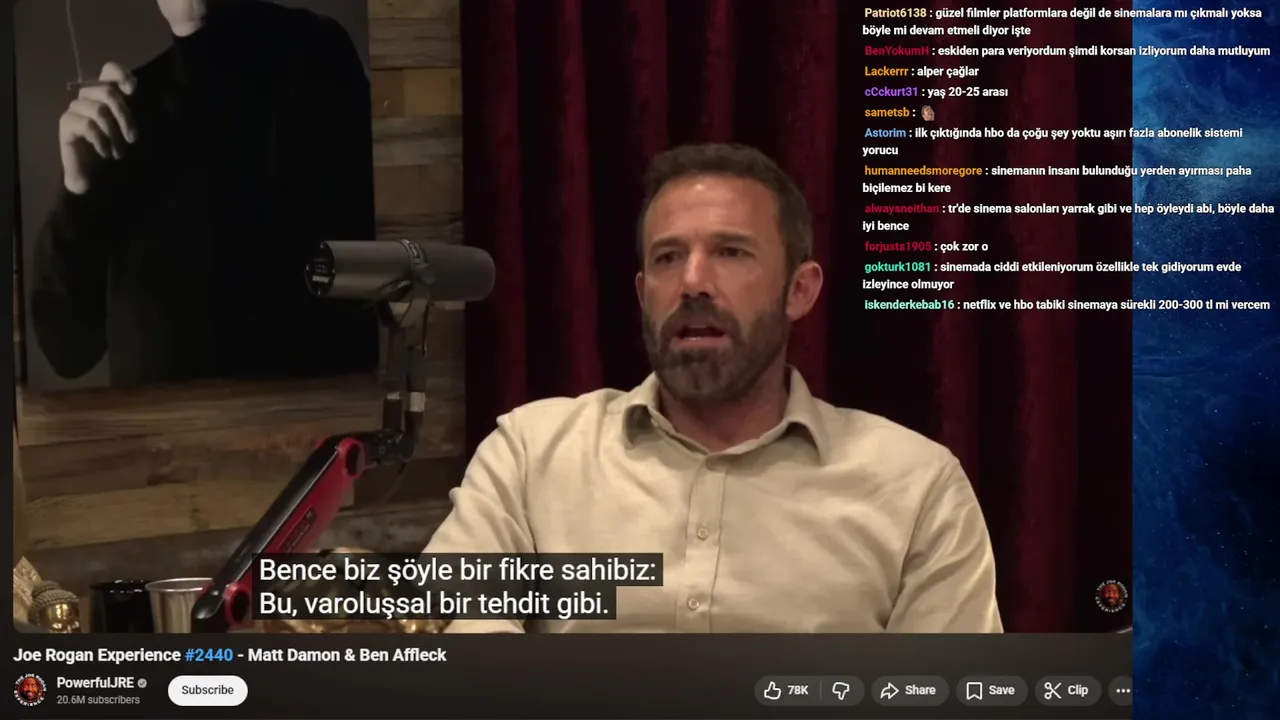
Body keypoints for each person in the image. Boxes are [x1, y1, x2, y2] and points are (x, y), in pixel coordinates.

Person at [426, 143, 1002, 633]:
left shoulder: (915, 486)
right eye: (668, 257)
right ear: (642, 294)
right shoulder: (532, 454)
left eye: (731, 252)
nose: (693, 282)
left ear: (800, 290)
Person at [28, 0, 377, 385]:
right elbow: (68, 350)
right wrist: (77, 192)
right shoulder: (122, 115)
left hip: (301, 412)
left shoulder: (313, 53)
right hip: (163, 424)